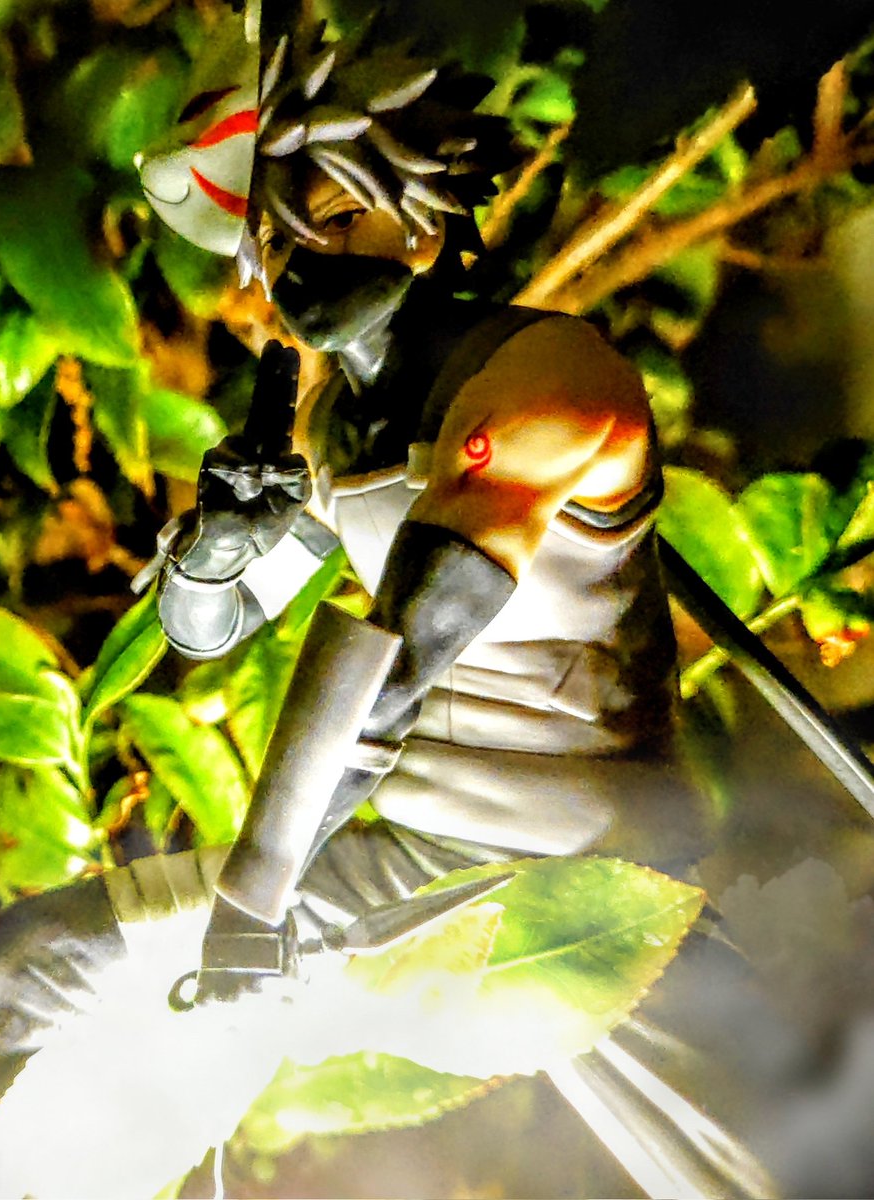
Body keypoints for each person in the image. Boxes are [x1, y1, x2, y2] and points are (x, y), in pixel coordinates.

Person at [142, 20, 703, 1003]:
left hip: (587, 869)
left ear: (423, 219)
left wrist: (255, 899)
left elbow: (400, 650)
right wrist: (214, 553)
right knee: (51, 958)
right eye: (275, 236)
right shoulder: (328, 429)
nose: (303, 257)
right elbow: (212, 628)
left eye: (336, 216)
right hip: (406, 860)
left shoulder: (543, 379)